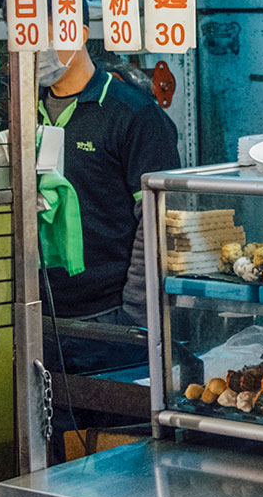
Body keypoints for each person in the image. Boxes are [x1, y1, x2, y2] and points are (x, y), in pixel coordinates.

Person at [37, 47, 181, 373]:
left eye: (45, 32)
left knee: (108, 422)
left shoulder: (134, 113)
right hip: (36, 317)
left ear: (79, 33)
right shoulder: (21, 108)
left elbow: (159, 218)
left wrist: (135, 312)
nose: (32, 44)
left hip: (108, 320)